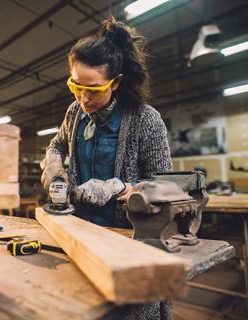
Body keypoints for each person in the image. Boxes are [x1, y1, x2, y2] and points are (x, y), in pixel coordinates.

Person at [40, 16, 174, 319]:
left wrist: (119, 187)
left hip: (126, 244)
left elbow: (166, 187)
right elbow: (57, 144)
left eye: (95, 90)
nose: (83, 98)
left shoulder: (146, 120)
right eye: (76, 86)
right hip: (78, 238)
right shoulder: (74, 112)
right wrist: (52, 162)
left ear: (116, 82)